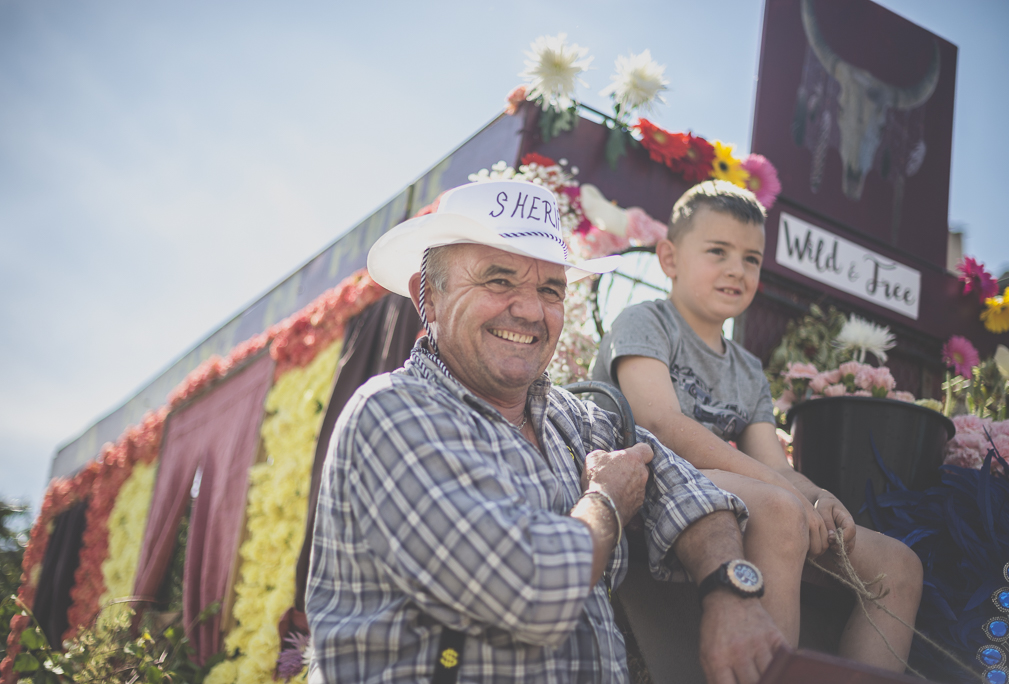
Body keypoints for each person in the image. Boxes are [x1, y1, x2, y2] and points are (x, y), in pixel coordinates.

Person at [306, 179, 785, 684]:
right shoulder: (392, 413)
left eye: (550, 289)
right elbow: (529, 590)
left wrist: (730, 592)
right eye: (497, 281)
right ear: (427, 295)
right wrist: (605, 500)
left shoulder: (576, 418)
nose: (531, 311)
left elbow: (695, 496)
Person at [591, 180, 923, 672]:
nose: (736, 269)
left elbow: (773, 462)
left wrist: (816, 496)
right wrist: (781, 491)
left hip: (725, 486)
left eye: (750, 258)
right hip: (651, 477)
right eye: (718, 251)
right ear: (670, 258)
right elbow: (659, 421)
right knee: (777, 508)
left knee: (899, 564)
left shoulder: (747, 369)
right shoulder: (646, 321)